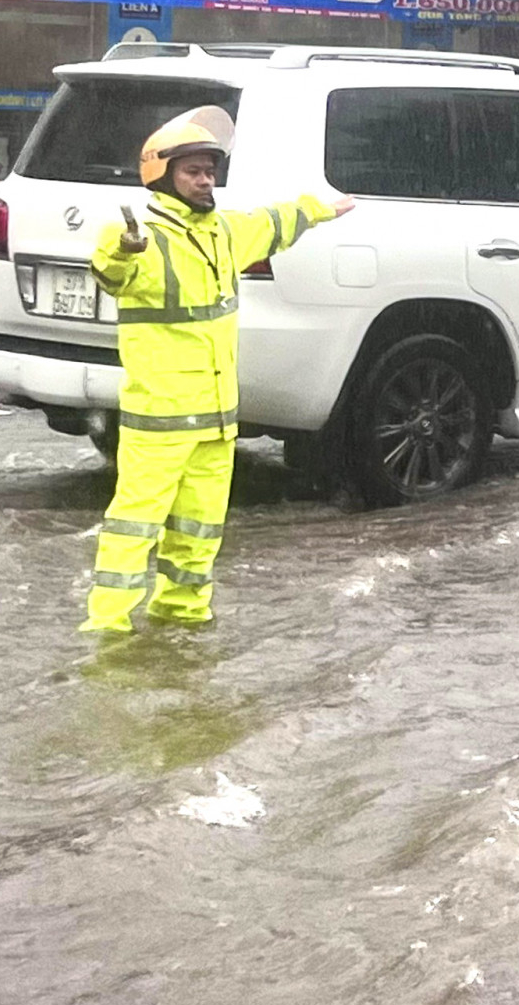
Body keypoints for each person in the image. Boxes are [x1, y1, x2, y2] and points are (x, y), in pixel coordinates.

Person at [78, 105, 355, 634]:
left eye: (209, 172)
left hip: (216, 422)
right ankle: (107, 628)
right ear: (163, 174)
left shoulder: (223, 231)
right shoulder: (141, 232)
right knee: (135, 525)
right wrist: (124, 249)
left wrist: (321, 208)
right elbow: (111, 271)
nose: (205, 181)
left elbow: (275, 222)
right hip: (159, 421)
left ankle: (182, 615)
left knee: (200, 528)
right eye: (193, 172)